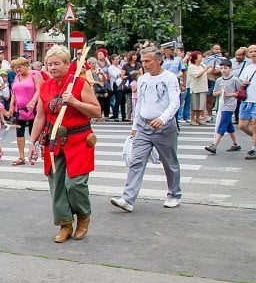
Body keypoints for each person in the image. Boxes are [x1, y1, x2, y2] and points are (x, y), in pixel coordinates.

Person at [27, 46, 102, 242]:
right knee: (57, 185)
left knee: (75, 184)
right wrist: (32, 142)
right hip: (53, 142)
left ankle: (83, 216)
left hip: (79, 141)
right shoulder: (45, 86)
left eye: (56, 63)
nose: (52, 67)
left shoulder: (79, 83)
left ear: (67, 65)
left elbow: (96, 111)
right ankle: (65, 224)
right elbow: (40, 117)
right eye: (49, 64)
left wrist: (75, 102)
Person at [110, 47, 183, 213]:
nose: (145, 64)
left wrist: (163, 119)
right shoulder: (142, 79)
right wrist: (135, 126)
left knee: (169, 162)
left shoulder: (170, 78)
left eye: (148, 61)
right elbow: (140, 103)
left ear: (158, 60)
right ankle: (128, 198)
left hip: (164, 126)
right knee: (136, 161)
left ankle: (174, 194)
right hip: (144, 125)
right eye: (143, 61)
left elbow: (175, 102)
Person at [7, 57, 42, 165]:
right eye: (16, 68)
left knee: (33, 132)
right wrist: (11, 105)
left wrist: (33, 101)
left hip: (33, 108)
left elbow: (39, 89)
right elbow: (14, 92)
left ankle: (34, 153)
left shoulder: (34, 75)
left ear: (26, 66)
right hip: (20, 109)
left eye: (19, 67)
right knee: (19, 133)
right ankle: (21, 157)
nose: (17, 70)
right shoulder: (17, 77)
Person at [205, 61, 243, 154]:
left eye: (225, 68)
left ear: (230, 69)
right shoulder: (219, 80)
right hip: (222, 104)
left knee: (222, 123)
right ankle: (236, 144)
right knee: (228, 124)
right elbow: (214, 92)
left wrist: (229, 94)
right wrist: (221, 92)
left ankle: (214, 145)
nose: (223, 70)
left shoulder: (235, 80)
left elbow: (240, 92)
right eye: (221, 68)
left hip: (230, 104)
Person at [235, 44, 256, 159]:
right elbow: (241, 82)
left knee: (255, 124)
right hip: (246, 100)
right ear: (248, 54)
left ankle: (254, 149)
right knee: (242, 125)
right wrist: (243, 84)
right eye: (251, 51)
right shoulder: (247, 68)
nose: (254, 53)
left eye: (255, 51)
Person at [186, 52, 209, 125]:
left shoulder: (202, 65)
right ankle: (192, 119)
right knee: (194, 105)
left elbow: (208, 72)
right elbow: (197, 75)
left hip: (203, 87)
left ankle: (198, 119)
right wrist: (205, 69)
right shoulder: (191, 66)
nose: (201, 58)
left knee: (200, 105)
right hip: (195, 88)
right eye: (199, 57)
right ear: (195, 59)